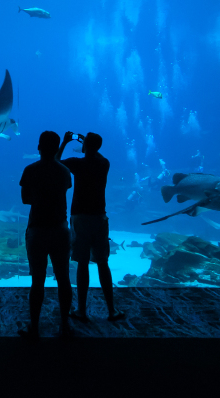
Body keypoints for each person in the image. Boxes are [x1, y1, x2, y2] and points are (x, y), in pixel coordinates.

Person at [57, 131, 125, 322]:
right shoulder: (104, 163)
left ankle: (81, 310)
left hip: (80, 217)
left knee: (82, 263)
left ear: (85, 146)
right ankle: (111, 310)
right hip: (99, 217)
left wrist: (65, 142)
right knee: (103, 263)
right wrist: (87, 143)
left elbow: (55, 163)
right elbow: (97, 153)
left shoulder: (77, 163)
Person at [18, 130, 74, 339]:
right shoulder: (64, 171)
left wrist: (40, 198)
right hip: (60, 229)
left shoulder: (30, 170)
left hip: (38, 229)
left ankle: (34, 327)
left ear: (39, 147)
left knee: (38, 281)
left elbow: (25, 199)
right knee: (64, 279)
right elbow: (64, 187)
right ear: (57, 147)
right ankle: (65, 325)